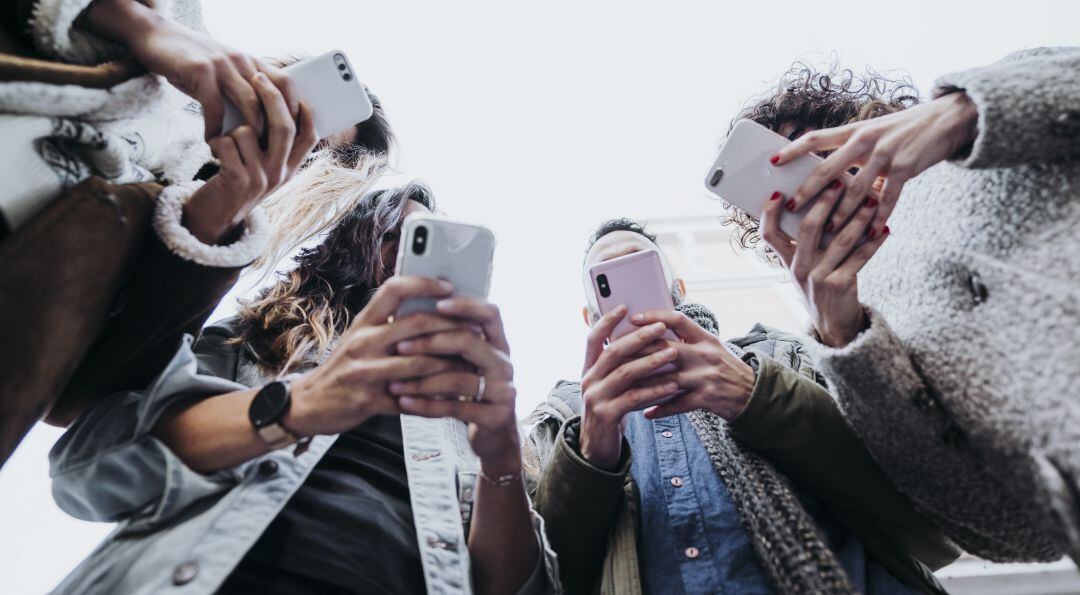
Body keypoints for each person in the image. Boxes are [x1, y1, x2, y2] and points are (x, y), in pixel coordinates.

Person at [48, 183, 557, 595]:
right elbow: (87, 468)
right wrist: (299, 404)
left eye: (424, 241)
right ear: (355, 245)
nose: (408, 255)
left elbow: (516, 587)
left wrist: (502, 463)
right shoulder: (257, 335)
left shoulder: (469, 408)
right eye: (393, 234)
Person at [720, 51, 1080, 564]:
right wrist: (847, 338)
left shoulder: (979, 128)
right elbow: (1012, 534)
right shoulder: (857, 326)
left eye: (806, 147)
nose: (807, 184)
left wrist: (967, 112)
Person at [0, 0, 394, 467]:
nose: (287, 134)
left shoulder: (210, 241)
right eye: (292, 105)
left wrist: (211, 221)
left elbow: (80, 399)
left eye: (311, 148)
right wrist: (141, 27)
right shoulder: (173, 22)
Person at [524, 218, 958, 594]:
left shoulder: (779, 355)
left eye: (639, 264)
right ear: (589, 316)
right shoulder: (561, 420)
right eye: (607, 279)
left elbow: (919, 509)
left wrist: (757, 395)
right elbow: (549, 578)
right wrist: (590, 455)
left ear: (677, 289)